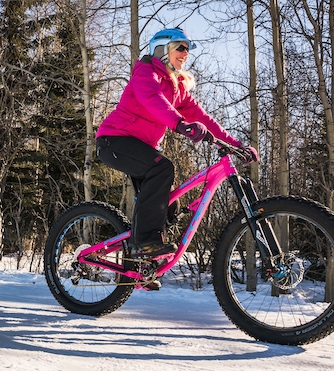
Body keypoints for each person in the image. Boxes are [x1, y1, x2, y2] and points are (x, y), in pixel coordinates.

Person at [95, 28, 257, 258]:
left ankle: (143, 262)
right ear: (162, 50)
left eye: (188, 49)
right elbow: (154, 100)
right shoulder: (145, 73)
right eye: (180, 47)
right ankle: (144, 243)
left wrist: (236, 145)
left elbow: (202, 118)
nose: (186, 53)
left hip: (141, 148)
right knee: (162, 168)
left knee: (170, 206)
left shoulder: (177, 86)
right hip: (115, 141)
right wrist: (180, 124)